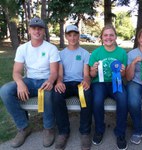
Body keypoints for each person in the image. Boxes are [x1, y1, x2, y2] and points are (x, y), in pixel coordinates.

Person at [0, 17, 60, 148]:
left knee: (49, 92)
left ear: (43, 31)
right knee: (5, 90)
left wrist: (50, 81)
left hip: (45, 80)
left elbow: (54, 72)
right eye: (34, 28)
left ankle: (49, 128)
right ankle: (23, 127)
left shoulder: (51, 48)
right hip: (29, 81)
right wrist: (20, 83)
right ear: (29, 30)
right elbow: (16, 72)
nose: (37, 31)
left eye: (40, 28)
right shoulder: (23, 48)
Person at [53, 25, 92, 150]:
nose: (73, 37)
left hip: (79, 83)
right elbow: (60, 74)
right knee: (56, 95)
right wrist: (59, 82)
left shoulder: (85, 53)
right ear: (66, 37)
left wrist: (86, 81)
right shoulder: (61, 54)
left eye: (75, 35)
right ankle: (64, 131)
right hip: (66, 84)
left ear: (79, 36)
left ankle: (85, 132)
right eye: (70, 35)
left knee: (86, 95)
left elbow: (86, 74)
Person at [89, 24, 128, 150]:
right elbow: (91, 74)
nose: (108, 37)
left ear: (115, 37)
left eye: (111, 35)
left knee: (123, 99)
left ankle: (120, 133)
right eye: (105, 35)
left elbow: (124, 75)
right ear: (101, 37)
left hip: (115, 81)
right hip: (99, 82)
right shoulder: (96, 53)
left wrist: (122, 71)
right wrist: (94, 69)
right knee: (97, 100)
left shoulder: (122, 53)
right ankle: (99, 129)